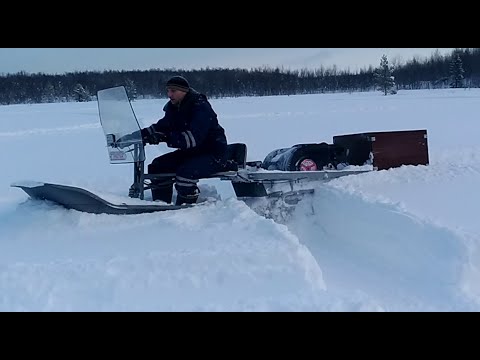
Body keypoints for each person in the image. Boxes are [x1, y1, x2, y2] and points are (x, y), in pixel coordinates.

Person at [122, 75, 229, 206]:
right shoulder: (175, 108)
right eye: (168, 91)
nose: (169, 94)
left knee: (186, 174)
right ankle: (160, 205)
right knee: (157, 167)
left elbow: (193, 139)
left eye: (173, 91)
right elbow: (161, 126)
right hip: (192, 153)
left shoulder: (200, 107)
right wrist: (135, 136)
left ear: (184, 91)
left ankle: (186, 209)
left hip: (213, 153)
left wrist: (165, 137)